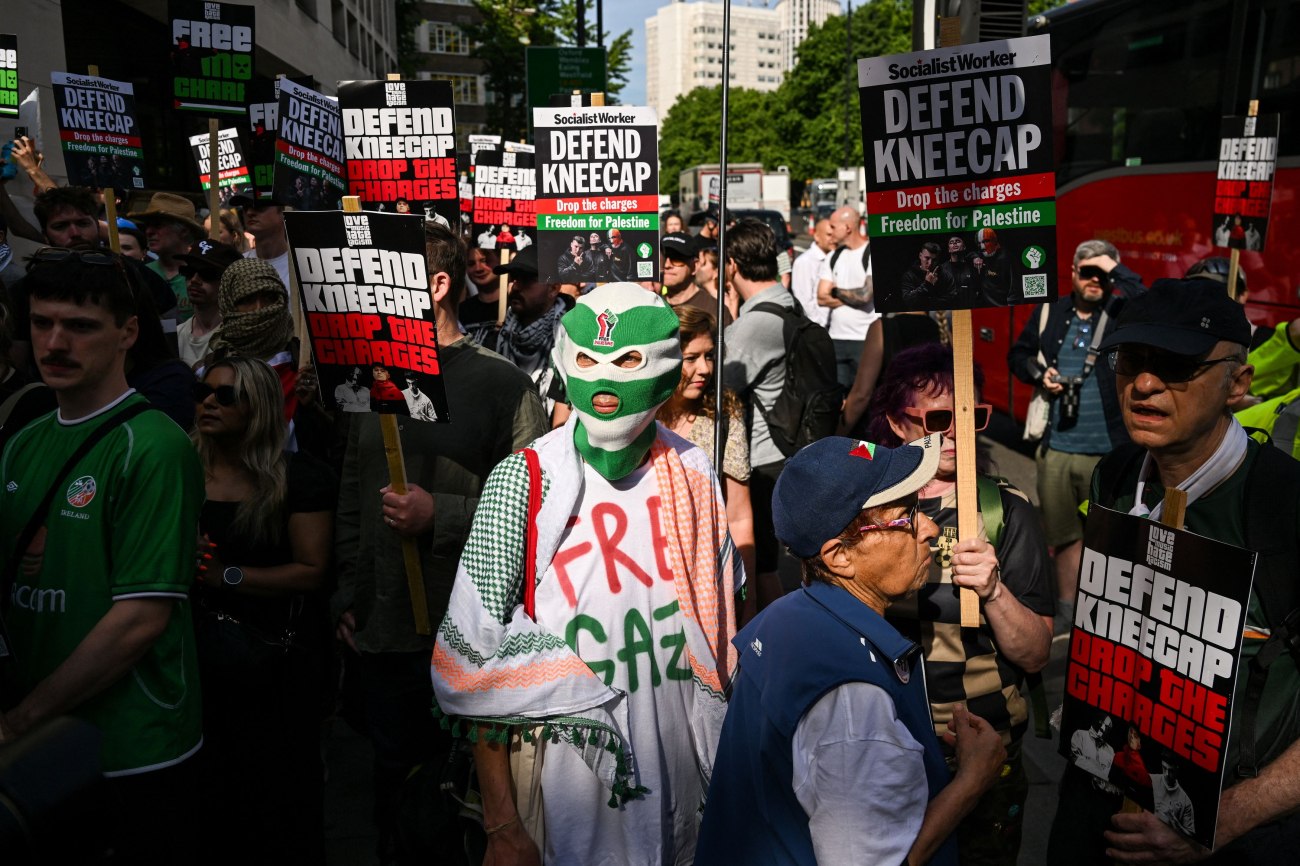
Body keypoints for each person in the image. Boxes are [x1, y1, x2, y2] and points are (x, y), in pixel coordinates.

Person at [432, 281, 741, 866]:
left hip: (680, 778)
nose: (605, 383)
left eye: (626, 362)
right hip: (565, 794)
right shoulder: (523, 482)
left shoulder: (693, 471)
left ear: (666, 371)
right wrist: (502, 824)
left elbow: (722, 620)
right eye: (588, 362)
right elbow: (477, 664)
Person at [1047, 278, 1300, 864]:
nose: (1143, 383)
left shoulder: (1284, 505)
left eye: (1176, 366)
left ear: (1238, 383)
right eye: (1130, 360)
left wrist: (1219, 822)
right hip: (1098, 809)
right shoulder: (1115, 476)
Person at [333, 222, 548, 864]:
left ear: (436, 286)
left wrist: (443, 514)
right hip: (383, 630)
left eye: (384, 284)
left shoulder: (502, 385)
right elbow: (353, 489)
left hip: (468, 633)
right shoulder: (371, 374)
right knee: (394, 807)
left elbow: (540, 508)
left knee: (458, 813)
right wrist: (348, 593)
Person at [696, 435, 1006, 866]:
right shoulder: (853, 700)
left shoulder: (788, 615)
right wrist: (972, 781)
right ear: (839, 556)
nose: (931, 529)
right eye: (906, 517)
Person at [0, 248, 204, 864]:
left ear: (128, 333)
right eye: (42, 323)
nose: (55, 342)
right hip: (37, 750)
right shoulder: (21, 443)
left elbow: (139, 620)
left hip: (130, 749)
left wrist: (19, 721)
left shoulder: (154, 446)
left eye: (80, 326)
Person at [867, 343, 1054, 865]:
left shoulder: (1006, 510)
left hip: (983, 745)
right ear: (897, 424)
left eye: (969, 416)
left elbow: (1037, 653)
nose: (954, 432)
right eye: (938, 419)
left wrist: (993, 592)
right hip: (886, 739)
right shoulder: (868, 508)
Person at [190, 356, 336, 865]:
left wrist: (225, 575)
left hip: (274, 667)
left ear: (260, 407)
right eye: (203, 392)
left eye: (226, 395)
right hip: (198, 664)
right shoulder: (181, 470)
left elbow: (312, 571)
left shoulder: (298, 478)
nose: (209, 402)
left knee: (277, 801)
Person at [1008, 239, 1145, 617]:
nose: (1096, 280)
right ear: (1072, 273)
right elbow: (1018, 355)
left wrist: (1115, 270)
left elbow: (1152, 303)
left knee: (1112, 539)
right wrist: (1039, 374)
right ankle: (1070, 612)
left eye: (1104, 273)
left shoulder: (1122, 312)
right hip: (1056, 448)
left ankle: (1108, 613)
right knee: (1064, 536)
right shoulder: (1050, 310)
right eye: (1088, 271)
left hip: (1111, 452)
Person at [722, 218, 798, 612]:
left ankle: (770, 639)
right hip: (786, 447)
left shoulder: (753, 326)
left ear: (732, 264)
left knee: (762, 568)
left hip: (763, 458)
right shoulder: (787, 303)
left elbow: (720, 389)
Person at [657, 304, 756, 602]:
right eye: (691, 358)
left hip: (706, 575)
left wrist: (747, 601)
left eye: (709, 356)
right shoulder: (642, 415)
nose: (705, 369)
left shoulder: (722, 414)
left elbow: (738, 516)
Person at [493, 246, 571, 415]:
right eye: (514, 279)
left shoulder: (570, 341)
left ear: (553, 288)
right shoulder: (497, 338)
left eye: (527, 280)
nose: (515, 287)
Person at [816, 206, 878, 390]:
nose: (830, 231)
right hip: (836, 338)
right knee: (837, 395)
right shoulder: (834, 257)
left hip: (865, 339)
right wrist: (852, 297)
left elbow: (865, 295)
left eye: (833, 227)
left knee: (866, 395)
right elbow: (821, 297)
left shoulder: (872, 253)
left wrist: (835, 291)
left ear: (848, 227)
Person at [127, 191, 205, 322]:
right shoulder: (142, 274)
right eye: (147, 225)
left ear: (184, 231)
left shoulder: (204, 276)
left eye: (158, 225)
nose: (148, 231)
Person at [175, 239, 242, 367]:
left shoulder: (237, 337)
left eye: (207, 274)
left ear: (228, 282)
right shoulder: (175, 336)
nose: (194, 280)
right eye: (189, 272)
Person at [661, 230, 732, 325]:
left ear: (695, 266)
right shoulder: (653, 304)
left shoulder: (715, 311)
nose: (667, 265)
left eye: (676, 259)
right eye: (663, 258)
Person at [230, 193, 291, 289]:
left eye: (259, 206)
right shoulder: (238, 266)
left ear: (282, 211)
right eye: (245, 207)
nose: (249, 212)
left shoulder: (303, 265)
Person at [790, 217, 833, 327]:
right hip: (819, 327)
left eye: (834, 234)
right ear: (817, 236)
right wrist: (819, 325)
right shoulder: (805, 262)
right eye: (829, 235)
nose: (833, 239)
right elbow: (804, 300)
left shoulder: (835, 257)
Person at [459, 245, 502, 346]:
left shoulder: (516, 305)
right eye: (471, 264)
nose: (478, 268)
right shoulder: (461, 311)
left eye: (485, 261)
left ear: (501, 260)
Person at [899, 241, 956, 307]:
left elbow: (951, 300)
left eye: (934, 260)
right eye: (927, 258)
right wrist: (927, 284)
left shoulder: (946, 276)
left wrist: (927, 302)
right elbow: (908, 301)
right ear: (920, 256)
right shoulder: (909, 276)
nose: (930, 263)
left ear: (938, 259)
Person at [1150, 755, 1195, 838]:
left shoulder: (1186, 801)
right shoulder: (1150, 780)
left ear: (1177, 770)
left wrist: (1174, 821)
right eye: (1164, 768)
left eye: (1171, 770)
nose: (1166, 774)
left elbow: (1190, 835)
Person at [970, 228, 1011, 306]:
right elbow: (970, 254)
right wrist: (975, 257)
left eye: (985, 241)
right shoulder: (982, 254)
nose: (982, 247)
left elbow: (1014, 289)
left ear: (994, 241)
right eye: (979, 243)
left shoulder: (1006, 258)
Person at [939, 235, 980, 307]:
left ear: (964, 247)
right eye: (951, 242)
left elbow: (978, 289)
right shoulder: (942, 269)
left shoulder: (972, 266)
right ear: (949, 249)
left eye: (958, 241)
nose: (954, 243)